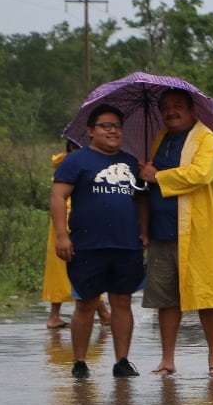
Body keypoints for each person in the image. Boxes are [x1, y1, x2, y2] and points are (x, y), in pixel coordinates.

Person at [137, 88, 213, 376]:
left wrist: (157, 176)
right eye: (165, 107)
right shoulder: (159, 139)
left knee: (208, 296)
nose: (171, 111)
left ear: (192, 110)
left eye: (178, 105)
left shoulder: (206, 139)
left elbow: (201, 174)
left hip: (197, 231)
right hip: (162, 231)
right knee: (166, 299)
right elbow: (147, 185)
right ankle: (167, 360)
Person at [50, 104, 149, 378]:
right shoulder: (75, 161)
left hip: (126, 245)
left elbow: (142, 200)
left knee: (122, 301)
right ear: (90, 131)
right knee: (86, 303)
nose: (113, 131)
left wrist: (144, 231)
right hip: (87, 245)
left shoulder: (132, 163)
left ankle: (122, 361)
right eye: (106, 126)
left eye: (117, 126)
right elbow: (58, 197)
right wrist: (61, 235)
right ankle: (80, 362)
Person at [43, 143, 111, 330]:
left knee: (73, 271)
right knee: (84, 270)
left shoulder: (73, 162)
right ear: (73, 146)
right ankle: (103, 314)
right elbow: (62, 198)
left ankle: (56, 315)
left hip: (71, 223)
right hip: (70, 224)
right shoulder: (73, 163)